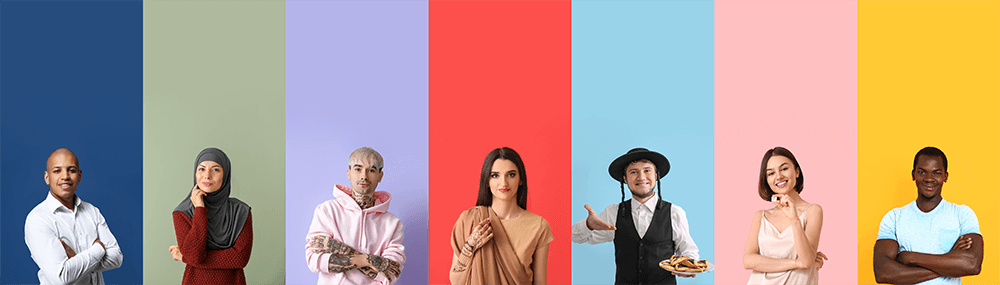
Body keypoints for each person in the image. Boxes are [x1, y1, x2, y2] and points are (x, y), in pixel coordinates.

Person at [572, 147, 699, 284]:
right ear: (625, 179)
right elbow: (575, 237)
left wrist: (688, 268)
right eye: (634, 172)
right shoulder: (614, 213)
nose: (641, 177)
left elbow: (688, 250)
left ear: (656, 175)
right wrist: (588, 225)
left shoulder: (674, 212)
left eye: (647, 170)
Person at [873, 146, 983, 284]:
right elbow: (883, 273)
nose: (929, 178)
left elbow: (972, 265)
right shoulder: (894, 218)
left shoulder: (962, 214)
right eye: (922, 172)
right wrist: (950, 261)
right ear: (913, 174)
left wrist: (911, 258)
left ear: (945, 176)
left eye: (936, 173)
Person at [449, 147, 553, 285]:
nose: (503, 182)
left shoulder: (538, 226)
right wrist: (469, 247)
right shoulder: (469, 220)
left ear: (521, 179)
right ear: (487, 181)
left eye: (511, 175)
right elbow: (456, 282)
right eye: (495, 175)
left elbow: (540, 282)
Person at [304, 147, 405, 284]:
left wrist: (338, 248)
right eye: (358, 169)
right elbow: (314, 261)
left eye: (371, 170)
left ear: (380, 176)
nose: (364, 176)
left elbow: (390, 274)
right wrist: (369, 261)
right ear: (348, 173)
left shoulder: (393, 224)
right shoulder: (327, 210)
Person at [25, 148, 124, 284]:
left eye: (71, 170)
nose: (65, 176)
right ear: (47, 177)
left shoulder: (92, 211)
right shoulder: (38, 219)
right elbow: (62, 276)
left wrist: (76, 261)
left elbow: (116, 258)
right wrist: (98, 249)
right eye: (57, 171)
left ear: (79, 175)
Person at [743, 147, 827, 285]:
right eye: (771, 173)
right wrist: (797, 263)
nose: (778, 176)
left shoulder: (813, 210)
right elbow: (748, 261)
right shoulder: (761, 216)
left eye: (784, 169)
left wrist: (794, 218)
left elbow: (807, 260)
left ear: (797, 172)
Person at [169, 147, 253, 284]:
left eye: (215, 169)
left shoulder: (241, 212)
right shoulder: (182, 213)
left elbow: (240, 259)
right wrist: (200, 210)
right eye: (201, 169)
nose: (207, 175)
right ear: (195, 173)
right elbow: (194, 256)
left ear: (225, 175)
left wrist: (184, 257)